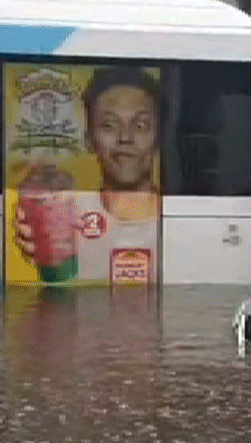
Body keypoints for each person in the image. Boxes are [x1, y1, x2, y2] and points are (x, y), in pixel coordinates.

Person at [12, 66, 164, 282]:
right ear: (89, 139)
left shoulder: (184, 223)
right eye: (109, 125)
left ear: (159, 139)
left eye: (140, 125)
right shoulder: (63, 215)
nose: (125, 138)